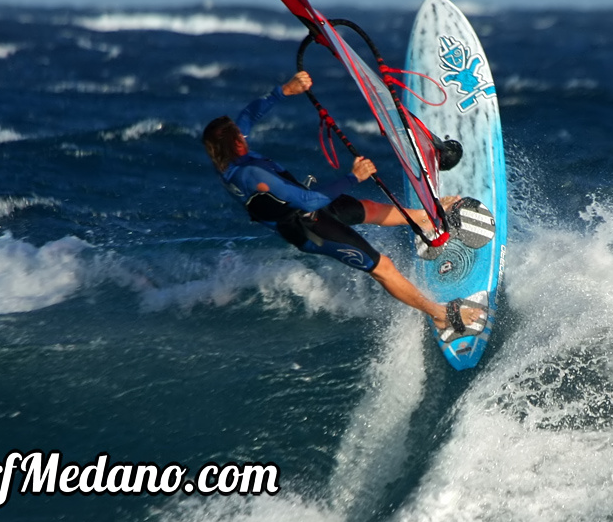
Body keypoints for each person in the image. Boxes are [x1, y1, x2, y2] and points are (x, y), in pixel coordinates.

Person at [202, 71, 485, 334]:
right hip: (307, 227)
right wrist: (353, 177)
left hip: (310, 206)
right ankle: (438, 314)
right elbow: (307, 200)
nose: (244, 135)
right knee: (382, 266)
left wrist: (284, 91)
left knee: (369, 209)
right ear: (236, 144)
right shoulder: (252, 175)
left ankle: (426, 217)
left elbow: (248, 115)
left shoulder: (226, 158)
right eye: (240, 136)